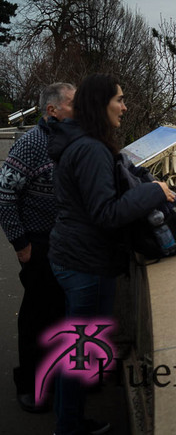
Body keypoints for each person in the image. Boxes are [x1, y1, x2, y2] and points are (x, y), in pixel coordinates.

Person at [49, 74, 172, 435]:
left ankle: (69, 421)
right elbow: (106, 213)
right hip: (86, 263)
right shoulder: (90, 149)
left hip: (77, 256)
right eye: (119, 99)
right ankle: (69, 427)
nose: (124, 105)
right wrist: (154, 191)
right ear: (101, 105)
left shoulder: (81, 142)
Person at [2, 82, 74, 414]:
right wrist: (21, 244)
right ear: (52, 111)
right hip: (39, 245)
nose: (79, 109)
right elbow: (4, 195)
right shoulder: (31, 144)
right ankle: (28, 385)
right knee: (35, 317)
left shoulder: (70, 140)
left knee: (58, 316)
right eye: (72, 104)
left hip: (64, 244)